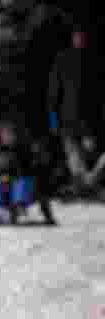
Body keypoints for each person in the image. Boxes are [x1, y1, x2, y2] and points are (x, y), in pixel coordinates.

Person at [48, 26, 104, 194]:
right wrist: (53, 118)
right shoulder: (62, 59)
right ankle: (81, 186)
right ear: (73, 38)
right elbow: (53, 90)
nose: (80, 40)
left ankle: (89, 183)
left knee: (90, 152)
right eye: (77, 37)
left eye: (83, 37)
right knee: (73, 156)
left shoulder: (95, 60)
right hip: (67, 118)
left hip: (90, 120)